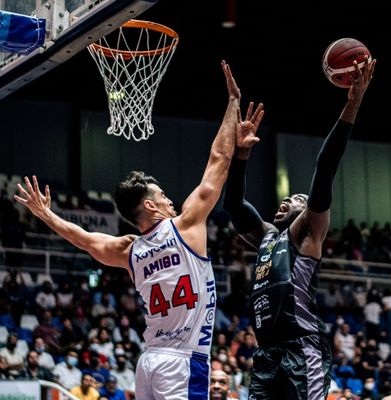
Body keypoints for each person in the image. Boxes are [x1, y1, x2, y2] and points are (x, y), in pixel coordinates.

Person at [14, 60, 243, 400]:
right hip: (183, 361)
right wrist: (233, 104)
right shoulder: (186, 227)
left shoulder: (130, 251)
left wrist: (47, 215)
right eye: (163, 196)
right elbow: (219, 159)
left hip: (148, 361)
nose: (170, 201)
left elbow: (83, 239)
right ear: (150, 206)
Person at [223, 55, 375, 400]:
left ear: (307, 210)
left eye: (295, 198)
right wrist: (241, 155)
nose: (286, 200)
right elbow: (232, 204)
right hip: (266, 354)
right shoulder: (266, 236)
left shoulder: (307, 231)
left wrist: (351, 107)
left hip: (301, 348)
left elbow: (324, 169)